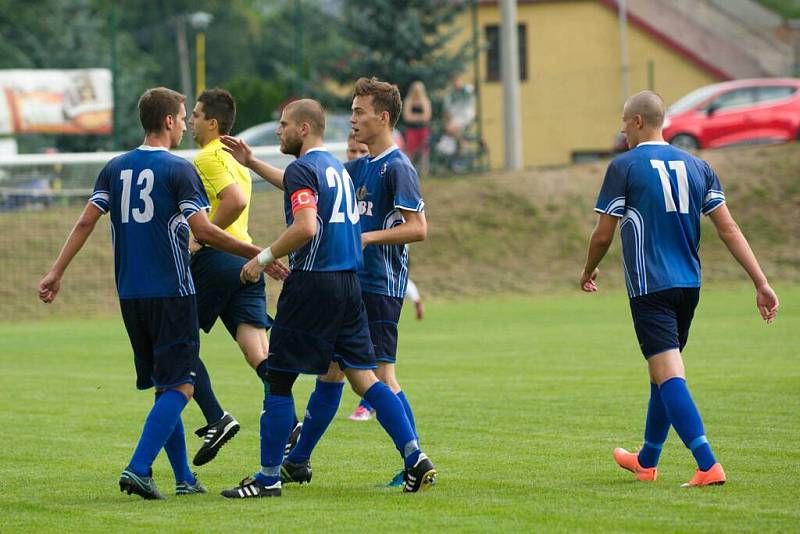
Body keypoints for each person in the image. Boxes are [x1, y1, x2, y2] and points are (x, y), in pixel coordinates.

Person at [38, 87, 264, 500]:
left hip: (130, 294)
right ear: (168, 122)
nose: (184, 125)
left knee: (166, 384)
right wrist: (260, 253)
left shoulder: (114, 167)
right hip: (172, 291)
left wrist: (56, 271)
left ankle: (183, 479)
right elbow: (206, 231)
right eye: (182, 117)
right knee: (182, 387)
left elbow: (87, 222)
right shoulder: (179, 171)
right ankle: (138, 468)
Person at [219, 99, 436, 498]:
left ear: (303, 129)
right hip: (349, 285)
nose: (279, 131)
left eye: (283, 125)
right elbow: (299, 186)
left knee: (279, 379)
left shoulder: (312, 167)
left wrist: (262, 257)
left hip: (313, 284)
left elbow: (305, 225)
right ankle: (415, 456)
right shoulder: (338, 168)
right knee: (364, 377)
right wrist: (252, 163)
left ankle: (268, 479)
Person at [580, 90, 780, 487]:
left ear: (638, 121)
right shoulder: (698, 165)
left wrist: (588, 270)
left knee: (669, 374)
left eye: (624, 119)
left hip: (651, 286)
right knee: (661, 372)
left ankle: (707, 463)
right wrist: (761, 282)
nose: (620, 127)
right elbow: (728, 228)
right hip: (689, 285)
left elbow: (603, 234)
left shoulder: (624, 166)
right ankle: (647, 459)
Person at [186, 88, 289, 467]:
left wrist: (200, 237)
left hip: (216, 259)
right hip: (246, 263)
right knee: (257, 353)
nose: (190, 121)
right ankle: (290, 424)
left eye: (195, 115)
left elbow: (234, 201)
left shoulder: (207, 157)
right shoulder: (235, 159)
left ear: (212, 123)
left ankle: (216, 417)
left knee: (175, 340)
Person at [402, 81, 432, 177]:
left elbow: (427, 116)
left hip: (423, 130)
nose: (417, 93)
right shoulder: (408, 101)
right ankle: (408, 171)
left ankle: (424, 172)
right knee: (410, 151)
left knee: (424, 151)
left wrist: (414, 116)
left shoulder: (425, 101)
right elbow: (407, 117)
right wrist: (420, 117)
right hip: (411, 130)